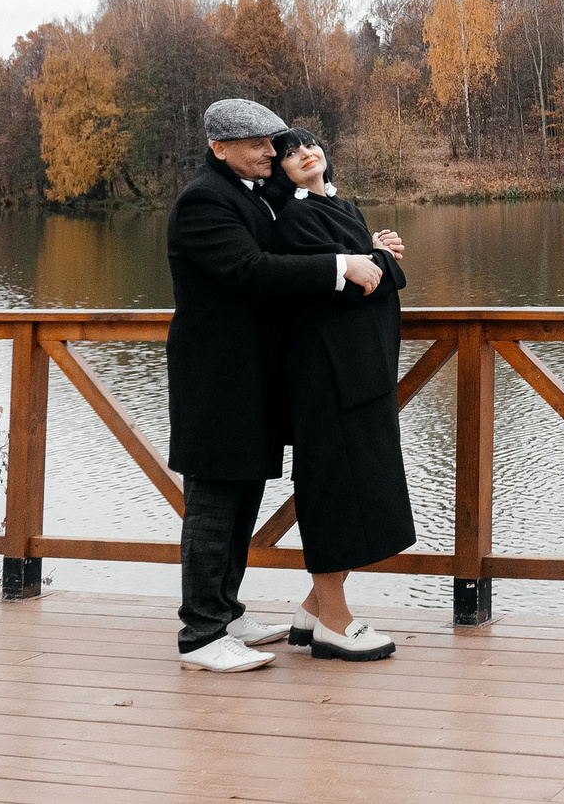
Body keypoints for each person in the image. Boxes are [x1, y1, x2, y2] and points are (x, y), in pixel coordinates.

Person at [165, 98, 387, 672]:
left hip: (252, 377)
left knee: (243, 499)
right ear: (219, 147)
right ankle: (201, 633)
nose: (272, 152)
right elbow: (251, 269)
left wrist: (369, 248)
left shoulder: (251, 194)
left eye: (273, 142)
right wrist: (342, 267)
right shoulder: (203, 201)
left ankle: (227, 611)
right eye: (260, 144)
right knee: (213, 505)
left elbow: (301, 226)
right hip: (215, 378)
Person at [260, 127, 416, 661]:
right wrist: (375, 259)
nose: (304, 153)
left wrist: (373, 256)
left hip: (365, 372)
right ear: (278, 171)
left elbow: (371, 270)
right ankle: (334, 621)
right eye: (289, 153)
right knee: (333, 489)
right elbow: (363, 280)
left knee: (368, 487)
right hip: (327, 375)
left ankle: (311, 611)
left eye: (309, 145)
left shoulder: (342, 206)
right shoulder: (295, 217)